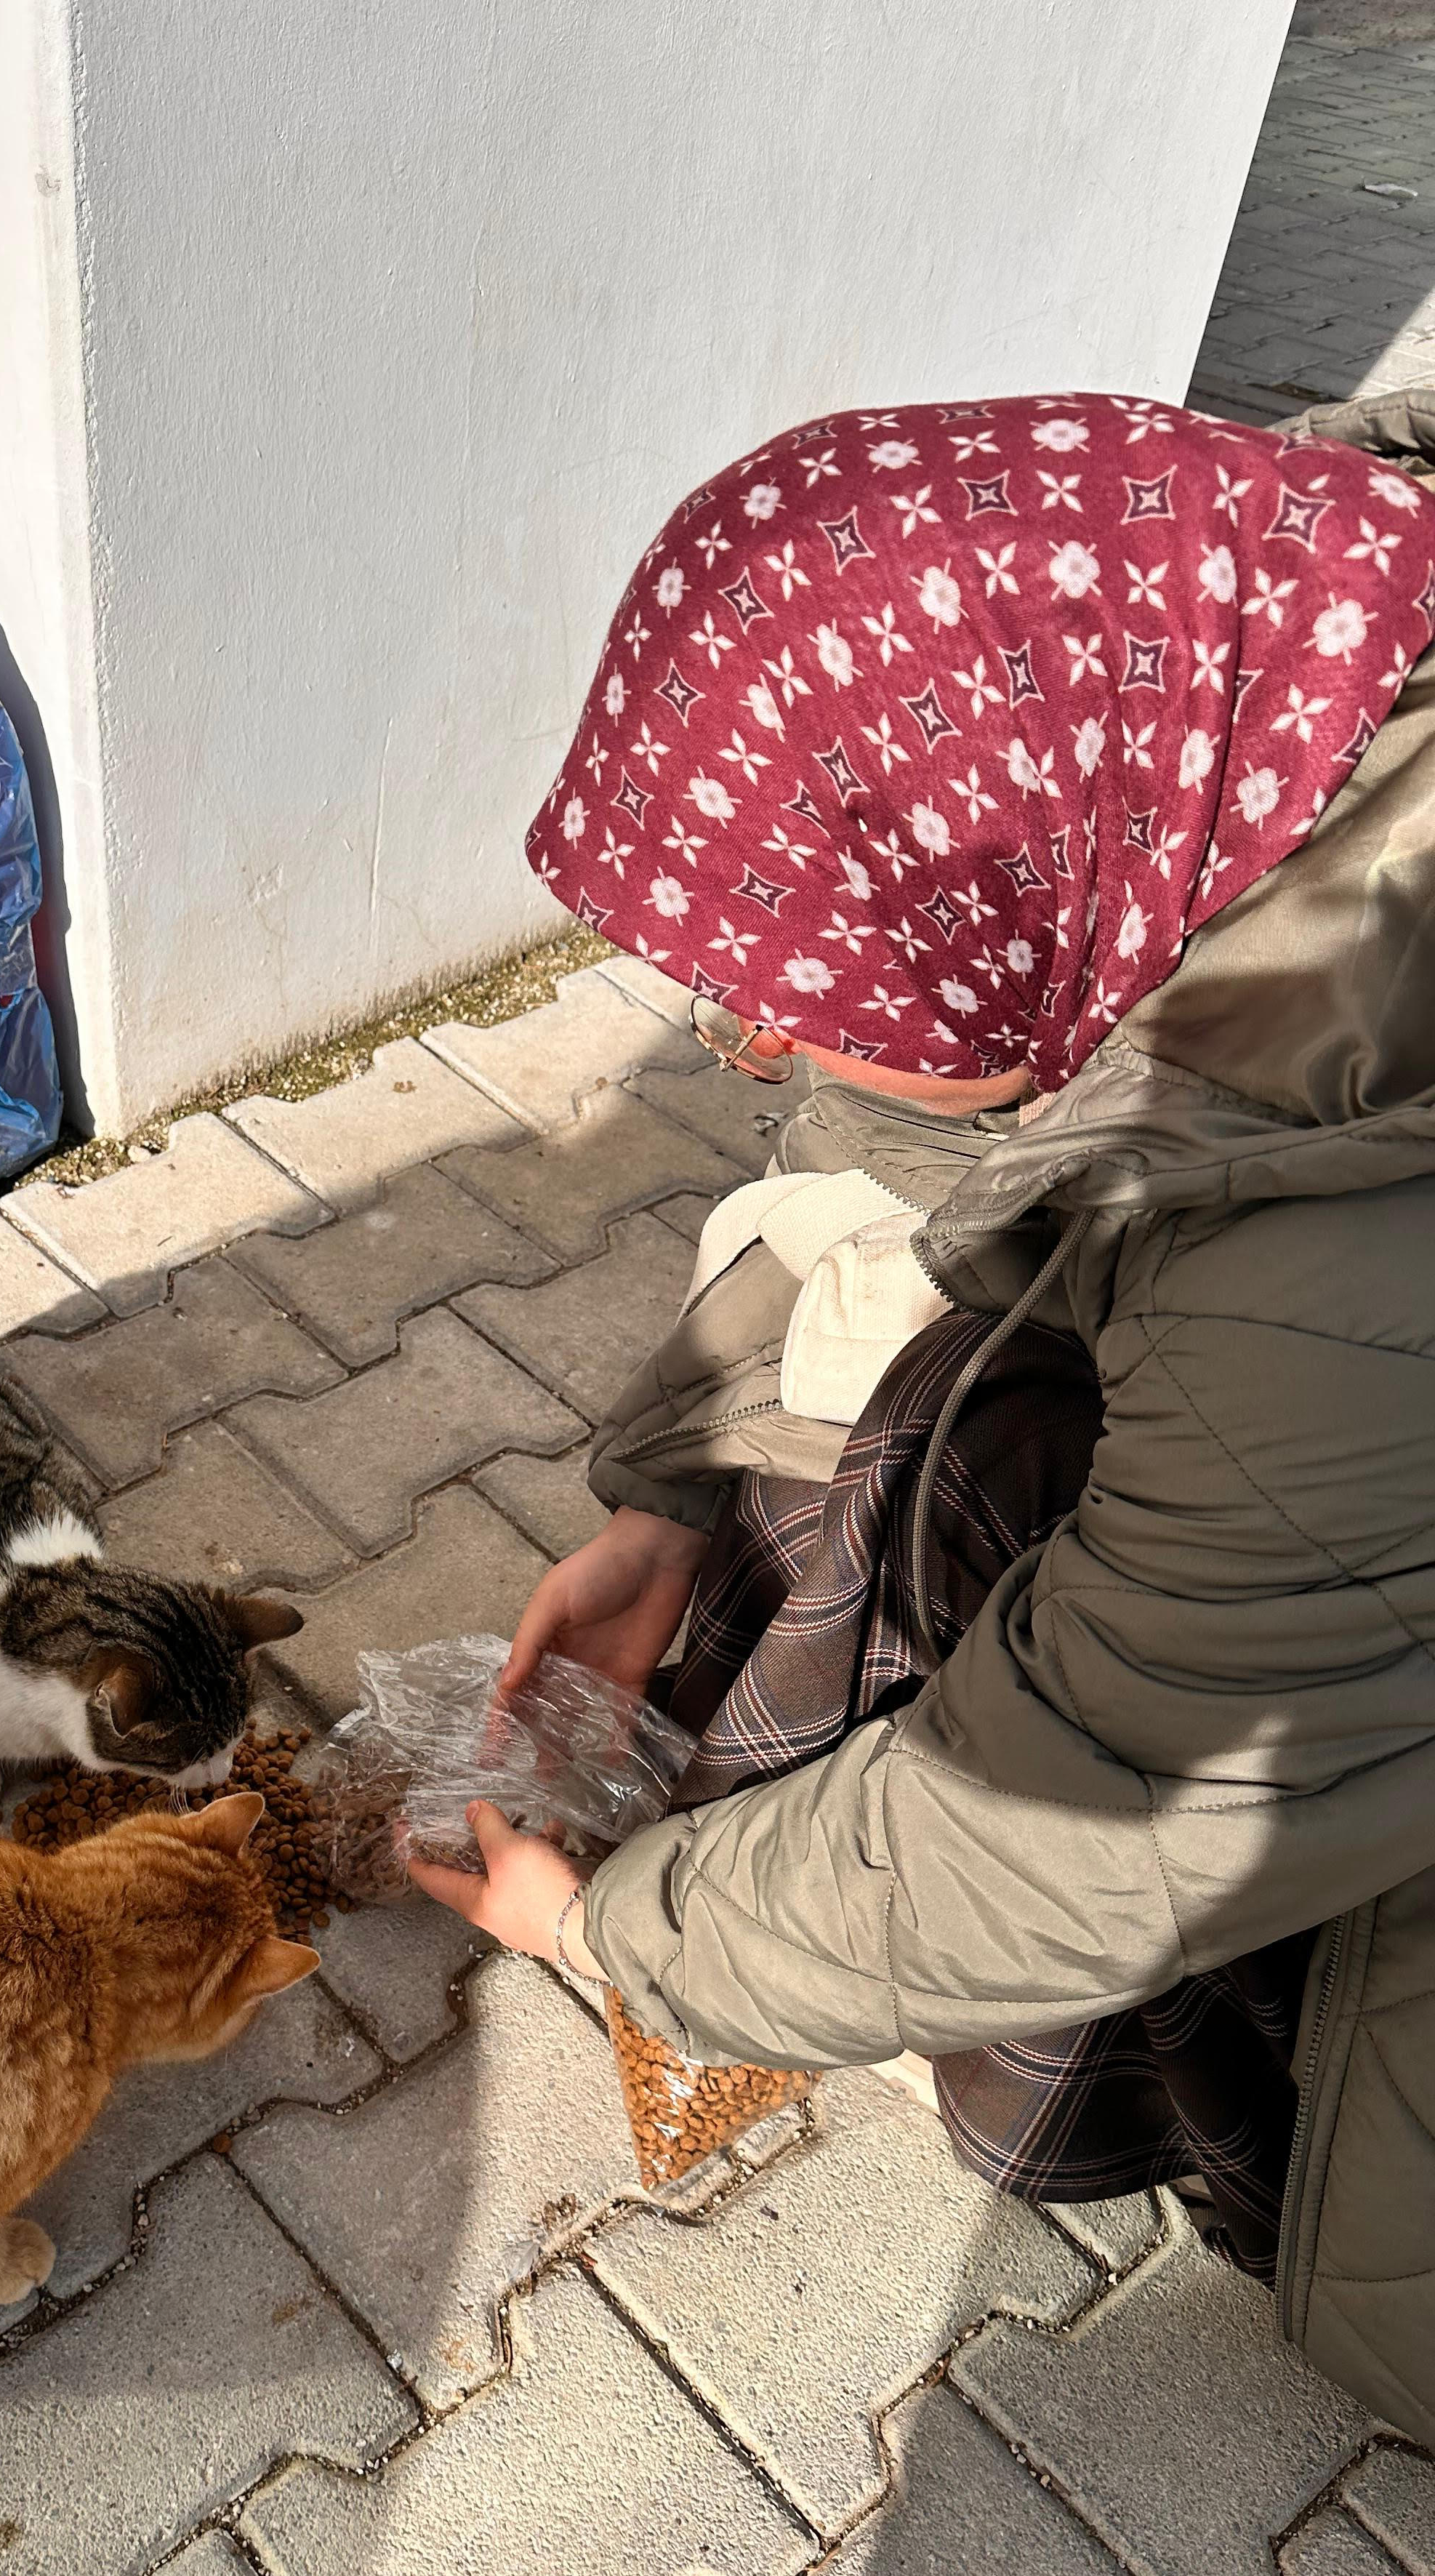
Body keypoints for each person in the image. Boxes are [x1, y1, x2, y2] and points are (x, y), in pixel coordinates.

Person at [410, 386, 1435, 2447]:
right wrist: (675, 1493)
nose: (761, 1032)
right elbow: (894, 1123)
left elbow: (1078, 1823)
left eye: (790, 970)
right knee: (912, 1409)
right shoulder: (1254, 648)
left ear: (1026, 852)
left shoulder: (1343, 1265)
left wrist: (624, 1935)